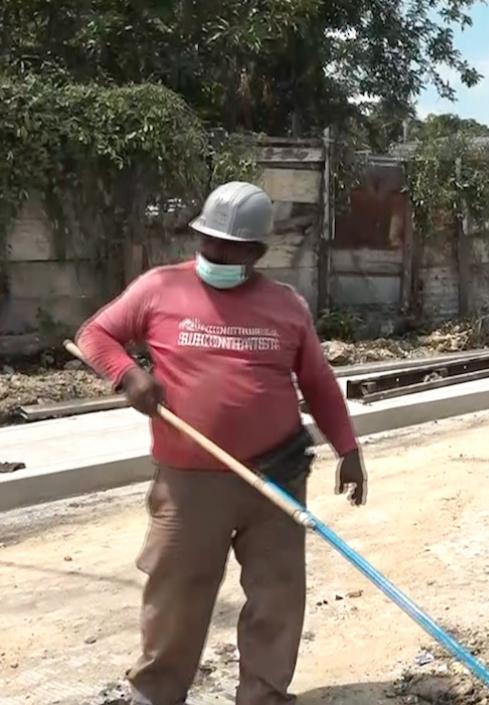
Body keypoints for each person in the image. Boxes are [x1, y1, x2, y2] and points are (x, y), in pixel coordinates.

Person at [76, 182, 367, 705]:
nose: (216, 253)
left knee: (276, 595)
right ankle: (156, 695)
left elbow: (319, 382)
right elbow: (96, 335)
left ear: (257, 253)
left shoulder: (286, 305)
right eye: (209, 242)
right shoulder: (159, 288)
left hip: (276, 475)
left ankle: (263, 693)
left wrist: (348, 448)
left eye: (231, 248)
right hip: (191, 481)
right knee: (177, 593)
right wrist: (128, 376)